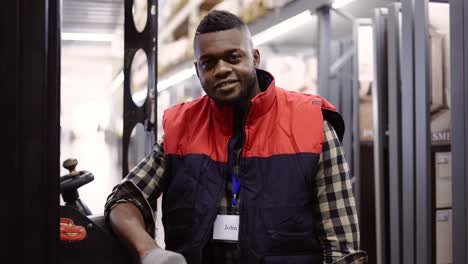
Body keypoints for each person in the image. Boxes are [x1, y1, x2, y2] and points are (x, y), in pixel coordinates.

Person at [105, 10, 363, 264]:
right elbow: (125, 197)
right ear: (197, 70)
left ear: (255, 57)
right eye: (209, 63)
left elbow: (342, 249)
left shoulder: (311, 124)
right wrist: (149, 250)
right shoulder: (181, 129)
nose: (221, 70)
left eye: (233, 57)